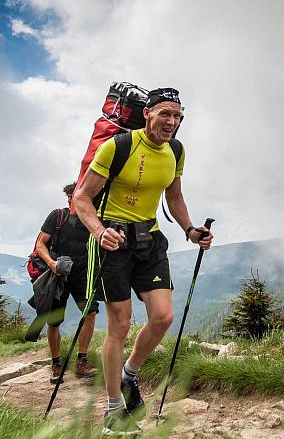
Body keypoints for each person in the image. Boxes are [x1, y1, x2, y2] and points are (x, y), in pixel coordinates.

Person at [73, 87, 214, 436]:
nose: (172, 121)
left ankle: (129, 373)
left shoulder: (176, 151)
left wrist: (190, 230)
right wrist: (98, 231)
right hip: (113, 241)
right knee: (119, 325)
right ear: (148, 113)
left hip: (149, 240)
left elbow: (174, 194)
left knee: (163, 317)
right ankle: (112, 409)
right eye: (165, 113)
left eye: (178, 115)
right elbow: (81, 197)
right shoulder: (117, 146)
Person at [34, 182, 99, 383]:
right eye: (72, 196)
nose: (75, 199)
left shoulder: (94, 218)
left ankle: (81, 360)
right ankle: (56, 365)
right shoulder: (58, 216)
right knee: (54, 320)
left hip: (84, 273)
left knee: (90, 312)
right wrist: (52, 264)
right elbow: (40, 244)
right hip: (59, 273)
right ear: (69, 197)